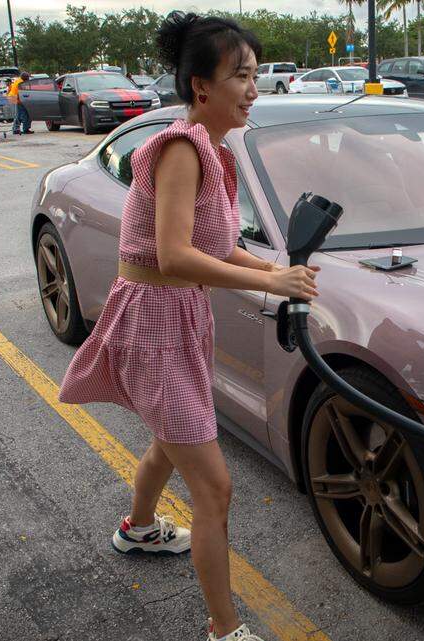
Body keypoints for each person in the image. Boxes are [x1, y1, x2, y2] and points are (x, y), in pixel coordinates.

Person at [57, 11, 318, 641]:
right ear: (202, 87)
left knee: (171, 439)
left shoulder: (215, 151)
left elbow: (217, 244)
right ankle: (225, 630)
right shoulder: (178, 149)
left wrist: (274, 268)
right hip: (152, 317)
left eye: (256, 75)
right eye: (242, 76)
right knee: (216, 487)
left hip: (181, 317)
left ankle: (138, 530)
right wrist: (268, 283)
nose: (255, 89)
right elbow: (172, 255)